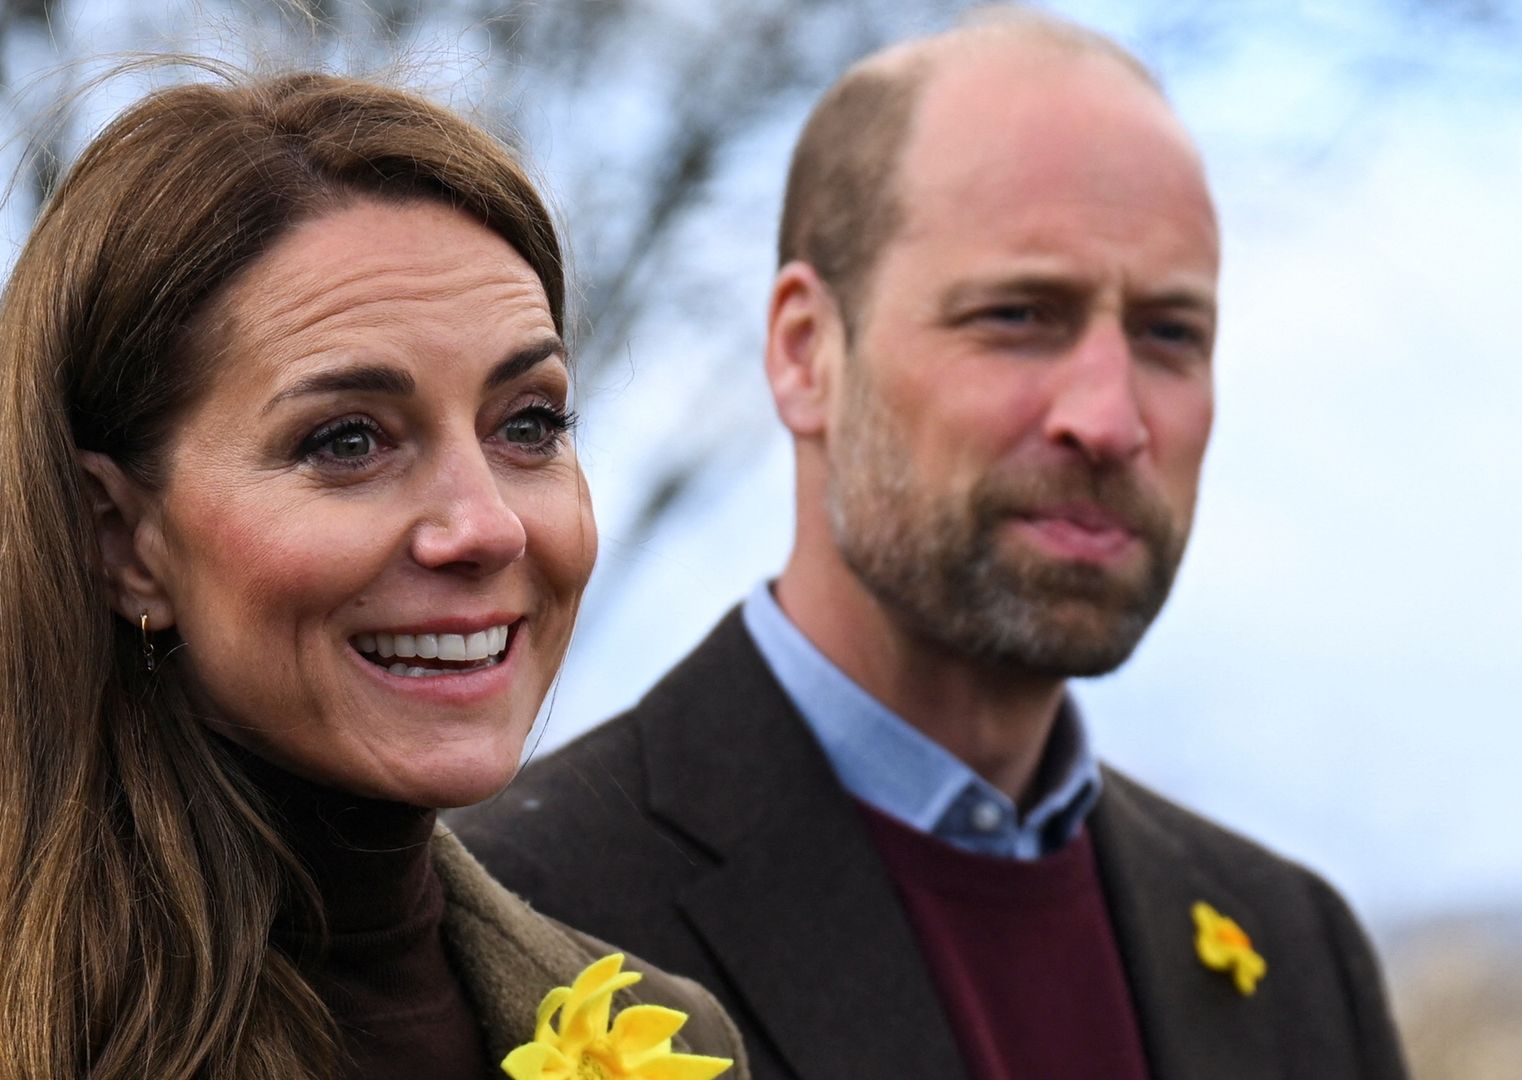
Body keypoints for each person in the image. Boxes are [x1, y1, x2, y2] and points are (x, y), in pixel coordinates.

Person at [0, 70, 743, 1080]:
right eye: (347, 442)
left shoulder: (666, 1034)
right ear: (121, 540)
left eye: (529, 423)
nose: (486, 526)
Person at [452, 10, 1410, 1080]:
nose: (1110, 417)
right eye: (1018, 315)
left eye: (1170, 333)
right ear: (806, 353)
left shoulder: (1295, 952)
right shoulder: (504, 922)